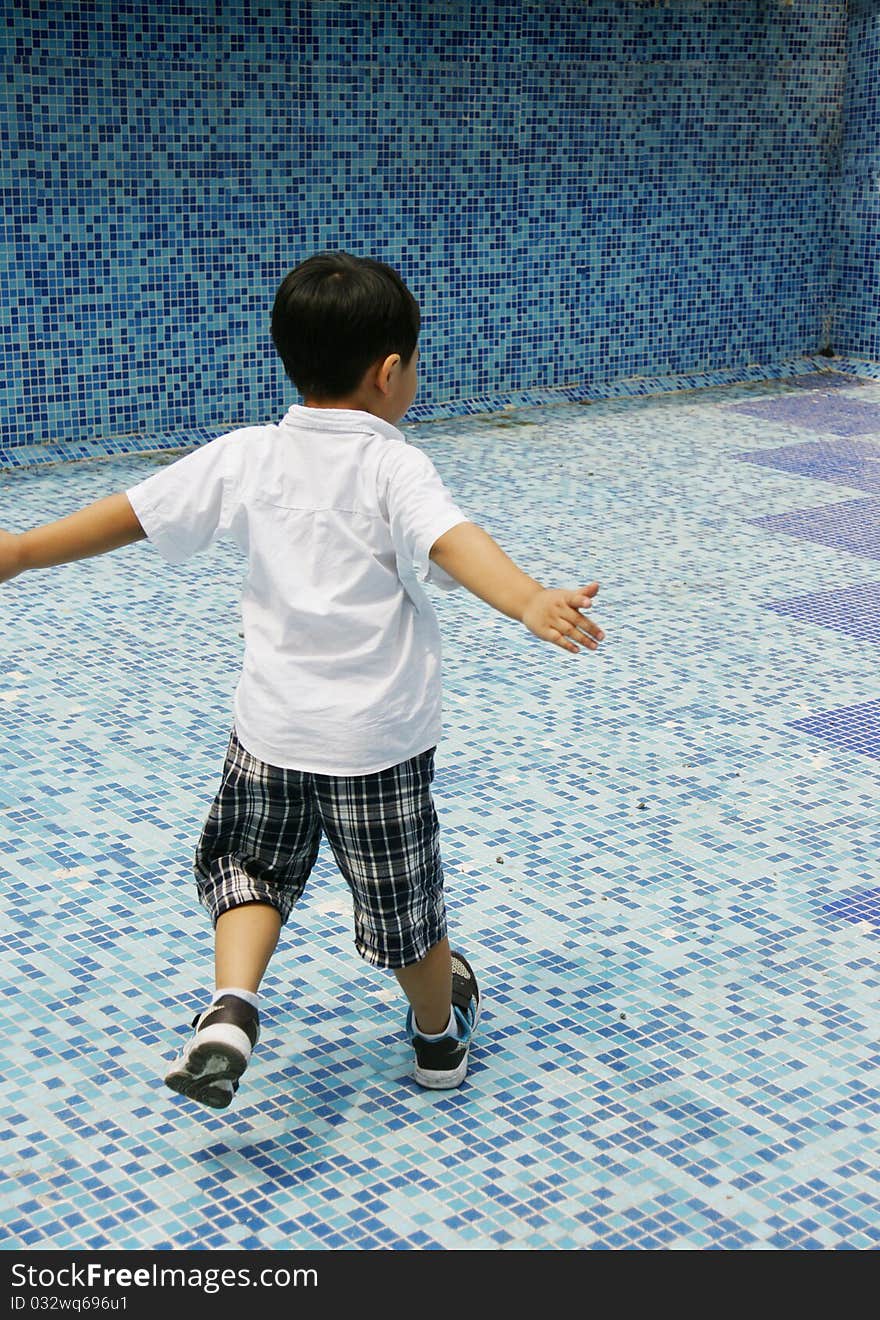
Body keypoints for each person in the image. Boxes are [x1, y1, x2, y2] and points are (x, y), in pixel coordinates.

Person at [0, 251, 604, 1110]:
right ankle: (438, 1039)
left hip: (271, 733)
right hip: (374, 747)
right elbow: (452, 541)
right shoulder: (393, 464)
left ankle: (230, 1010)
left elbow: (134, 514)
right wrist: (528, 600)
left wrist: (20, 551)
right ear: (390, 372)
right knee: (405, 913)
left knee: (248, 870)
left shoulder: (247, 454)